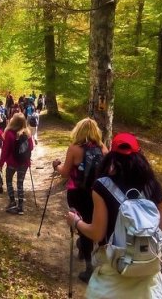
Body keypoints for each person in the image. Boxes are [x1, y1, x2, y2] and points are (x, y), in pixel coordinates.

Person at [66, 132, 162, 298]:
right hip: (148, 275)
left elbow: (97, 233)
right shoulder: (153, 185)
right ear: (139, 154)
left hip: (114, 271)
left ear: (112, 156)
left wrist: (76, 221)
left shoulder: (102, 186)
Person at [52, 118, 108, 283]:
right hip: (97, 193)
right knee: (92, 222)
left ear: (79, 130)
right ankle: (86, 251)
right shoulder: (103, 149)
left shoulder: (74, 149)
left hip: (77, 193)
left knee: (80, 222)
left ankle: (89, 265)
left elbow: (65, 172)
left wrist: (56, 166)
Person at [0, 113, 34, 215]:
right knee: (20, 183)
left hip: (12, 162)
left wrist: (1, 163)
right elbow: (31, 148)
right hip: (24, 163)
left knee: (9, 180)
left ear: (13, 121)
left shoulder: (9, 133)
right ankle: (20, 207)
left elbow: (5, 150)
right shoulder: (27, 133)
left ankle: (12, 201)